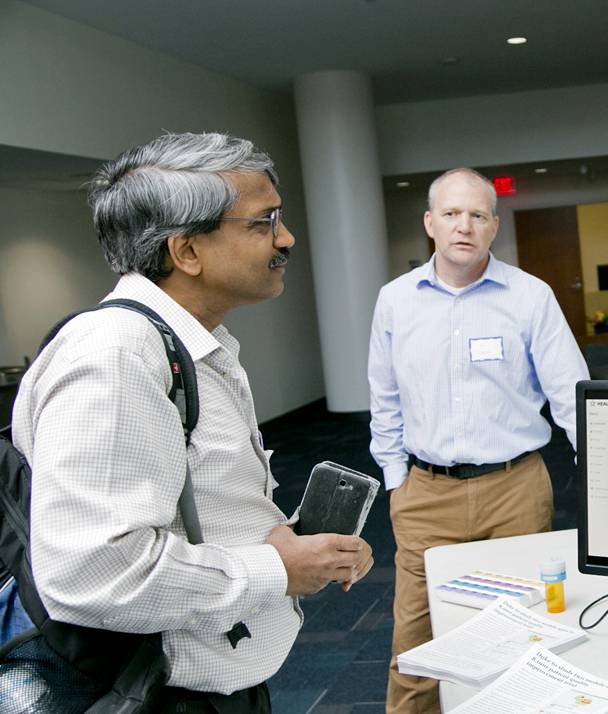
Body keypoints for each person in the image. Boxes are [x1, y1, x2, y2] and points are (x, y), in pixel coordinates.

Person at [9, 132, 374, 711]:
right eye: (262, 222)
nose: (286, 238)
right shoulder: (117, 356)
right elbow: (93, 574)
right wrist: (276, 567)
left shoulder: (188, 346)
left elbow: (194, 504)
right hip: (155, 696)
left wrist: (280, 541)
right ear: (187, 252)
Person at [368, 168, 589, 713]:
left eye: (476, 215)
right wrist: (397, 483)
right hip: (426, 496)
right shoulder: (396, 301)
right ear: (429, 224)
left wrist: (605, 479)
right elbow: (385, 399)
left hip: (514, 492)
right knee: (415, 651)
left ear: (494, 226)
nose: (462, 226)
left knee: (519, 639)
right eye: (450, 213)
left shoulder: (530, 296)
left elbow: (571, 395)